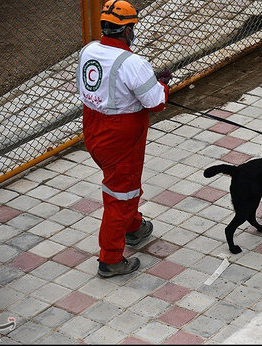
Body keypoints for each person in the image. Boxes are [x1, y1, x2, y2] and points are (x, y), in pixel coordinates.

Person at [76, 0, 171, 277]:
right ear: (127, 30)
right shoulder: (133, 62)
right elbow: (155, 103)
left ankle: (134, 226)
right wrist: (163, 85)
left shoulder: (88, 50)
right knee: (120, 196)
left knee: (123, 186)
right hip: (121, 136)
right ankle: (111, 259)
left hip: (94, 127)